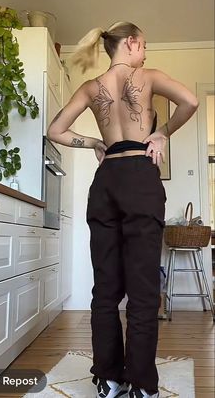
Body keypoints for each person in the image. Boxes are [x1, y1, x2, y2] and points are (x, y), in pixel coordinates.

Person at [47, 21, 199, 398]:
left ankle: (109, 378)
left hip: (106, 182)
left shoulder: (90, 87)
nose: (145, 52)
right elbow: (190, 102)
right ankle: (143, 386)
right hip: (139, 180)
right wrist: (161, 132)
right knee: (144, 290)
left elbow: (56, 131)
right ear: (130, 43)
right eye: (144, 45)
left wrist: (97, 143)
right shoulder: (146, 76)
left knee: (106, 289)